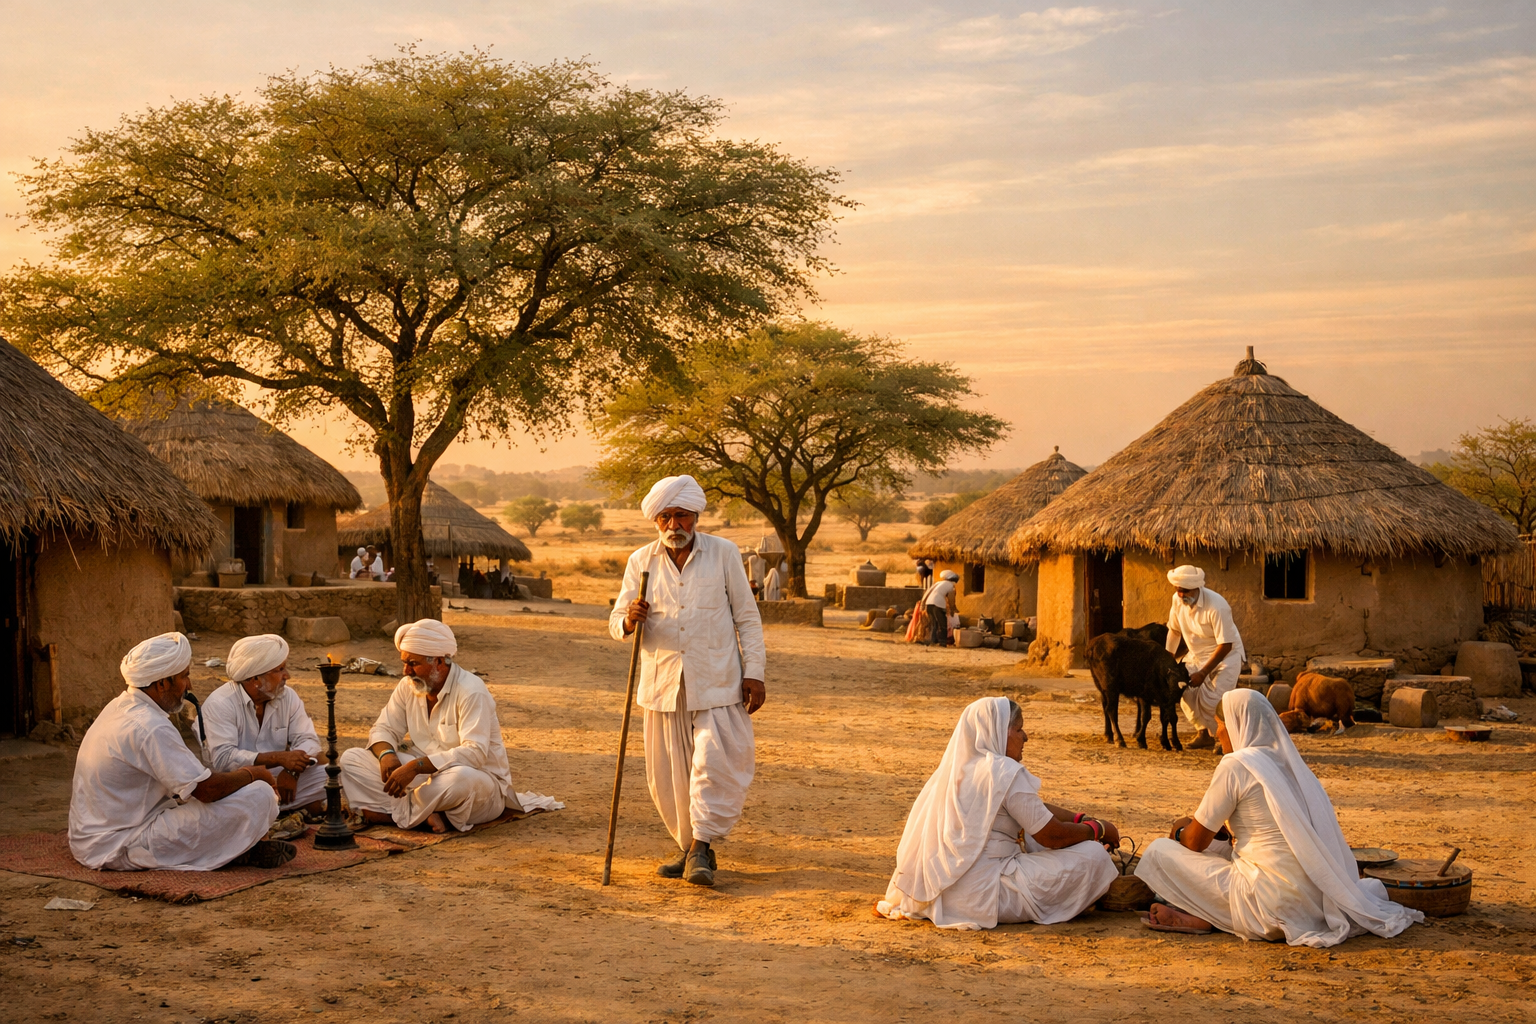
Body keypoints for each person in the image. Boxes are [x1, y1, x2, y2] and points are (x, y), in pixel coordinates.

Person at [1135, 689, 1423, 946]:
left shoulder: (1235, 765)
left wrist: (1178, 831)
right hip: (1311, 903)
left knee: (1160, 852)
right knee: (1222, 849)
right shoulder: (1289, 764)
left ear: (1238, 725)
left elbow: (1195, 842)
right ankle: (1204, 915)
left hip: (1267, 905)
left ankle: (1205, 915)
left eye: (1220, 724)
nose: (1217, 732)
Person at [611, 474, 766, 887]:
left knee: (713, 767)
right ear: (655, 521)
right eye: (665, 517)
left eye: (681, 515)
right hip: (663, 686)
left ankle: (700, 847)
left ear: (695, 516)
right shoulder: (640, 561)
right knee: (670, 776)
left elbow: (747, 618)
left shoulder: (724, 553)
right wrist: (629, 619)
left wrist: (755, 673)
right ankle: (692, 847)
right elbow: (615, 623)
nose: (673, 525)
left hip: (717, 680)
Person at [876, 697, 1121, 930]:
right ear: (996, 732)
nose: (1026, 737)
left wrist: (1079, 819)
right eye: (1018, 730)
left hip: (940, 895)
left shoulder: (956, 772)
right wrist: (1097, 830)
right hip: (986, 896)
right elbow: (1052, 836)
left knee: (1031, 837)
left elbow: (1031, 808)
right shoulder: (1002, 770)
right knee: (1094, 856)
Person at [69, 632, 291, 871]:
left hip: (92, 838)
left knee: (228, 795)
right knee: (260, 795)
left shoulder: (120, 706)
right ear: (162, 683)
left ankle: (236, 848)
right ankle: (233, 849)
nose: (190, 686)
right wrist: (253, 774)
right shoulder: (150, 726)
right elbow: (206, 790)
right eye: (185, 677)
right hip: (121, 843)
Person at [338, 619, 521, 833]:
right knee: (351, 759)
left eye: (413, 663)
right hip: (425, 780)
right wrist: (387, 754)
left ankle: (386, 814)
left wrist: (415, 768)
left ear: (439, 662)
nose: (406, 670)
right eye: (404, 662)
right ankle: (425, 817)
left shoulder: (471, 691)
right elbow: (384, 728)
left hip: (478, 784)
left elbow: (475, 753)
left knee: (461, 779)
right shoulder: (408, 685)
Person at [197, 634, 325, 831]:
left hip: (279, 780)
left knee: (331, 774)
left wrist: (291, 770)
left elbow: (308, 740)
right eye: (280, 670)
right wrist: (278, 758)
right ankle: (278, 813)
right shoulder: (221, 703)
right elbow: (223, 758)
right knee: (257, 794)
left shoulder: (287, 697)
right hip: (237, 784)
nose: (287, 676)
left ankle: (274, 813)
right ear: (256, 678)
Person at [1164, 565, 1244, 750]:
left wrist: (1203, 673)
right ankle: (1204, 734)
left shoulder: (1217, 605)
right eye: (1178, 590)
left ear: (1197, 587)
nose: (1182, 595)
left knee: (1215, 701)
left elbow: (1226, 644)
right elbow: (1174, 631)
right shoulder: (1177, 601)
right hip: (1196, 656)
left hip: (1225, 657)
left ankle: (1227, 739)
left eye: (1186, 591)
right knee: (1184, 692)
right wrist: (1167, 659)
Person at [924, 569, 959, 646]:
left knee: (934, 624)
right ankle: (942, 642)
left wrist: (922, 605)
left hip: (929, 604)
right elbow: (951, 599)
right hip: (938, 604)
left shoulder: (938, 583)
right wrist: (953, 609)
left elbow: (927, 593)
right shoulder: (951, 586)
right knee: (943, 624)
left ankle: (933, 641)